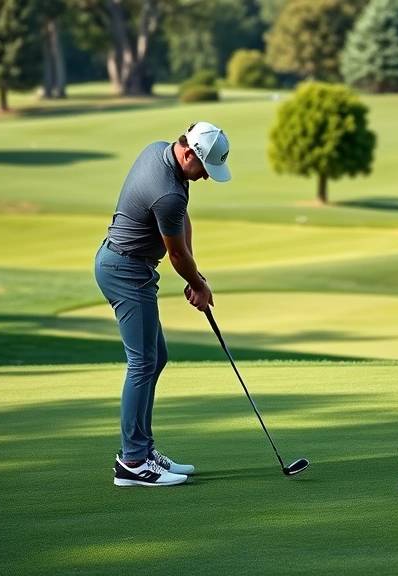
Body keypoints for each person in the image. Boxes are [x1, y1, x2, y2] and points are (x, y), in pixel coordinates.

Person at [94, 121, 232, 487]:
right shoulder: (167, 191)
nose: (206, 176)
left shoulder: (160, 151)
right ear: (188, 153)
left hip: (125, 265)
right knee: (142, 363)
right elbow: (175, 254)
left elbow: (182, 220)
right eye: (204, 167)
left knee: (156, 357)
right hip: (126, 271)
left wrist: (195, 275)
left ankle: (143, 449)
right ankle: (132, 462)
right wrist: (197, 284)